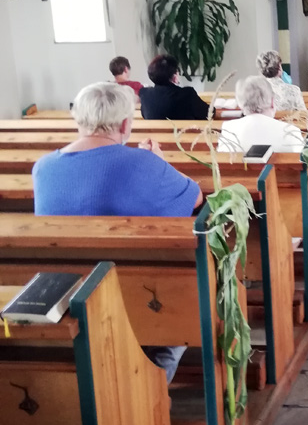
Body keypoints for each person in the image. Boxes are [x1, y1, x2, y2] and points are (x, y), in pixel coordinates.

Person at [32, 83, 202, 382]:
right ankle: (151, 381)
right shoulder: (143, 163)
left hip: (64, 292)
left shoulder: (43, 168)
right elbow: (195, 197)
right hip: (134, 294)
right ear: (125, 124)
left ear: (78, 119)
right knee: (186, 306)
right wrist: (159, 162)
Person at [218, 77, 304, 153]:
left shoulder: (228, 128)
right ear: (272, 102)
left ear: (241, 104)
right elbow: (304, 162)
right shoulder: (291, 131)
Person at [140, 55, 210, 120]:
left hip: (153, 130)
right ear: (174, 76)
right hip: (182, 130)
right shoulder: (187, 94)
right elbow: (209, 114)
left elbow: (144, 115)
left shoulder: (145, 94)